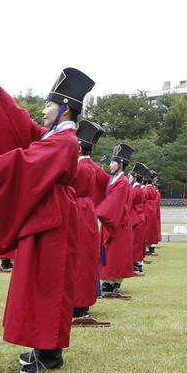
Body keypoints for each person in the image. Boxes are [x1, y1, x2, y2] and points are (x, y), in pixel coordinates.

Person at [0, 67, 94, 373]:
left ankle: (49, 352)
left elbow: (25, 159)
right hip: (46, 214)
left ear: (65, 108)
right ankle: (41, 345)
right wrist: (0, 95)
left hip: (54, 219)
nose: (43, 111)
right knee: (38, 281)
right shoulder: (55, 136)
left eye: (48, 105)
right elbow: (24, 129)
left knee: (50, 283)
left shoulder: (66, 141)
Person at [71, 120, 108, 318]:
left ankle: (77, 303)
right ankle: (81, 302)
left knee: (78, 260)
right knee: (84, 259)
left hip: (77, 211)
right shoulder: (89, 165)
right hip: (86, 211)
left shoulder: (79, 166)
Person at [97, 143, 137, 295]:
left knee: (117, 253)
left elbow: (115, 202)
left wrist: (98, 211)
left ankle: (116, 281)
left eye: (113, 162)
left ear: (120, 164)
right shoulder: (114, 179)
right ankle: (108, 280)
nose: (110, 165)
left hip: (119, 221)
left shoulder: (122, 181)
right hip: (113, 221)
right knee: (109, 252)